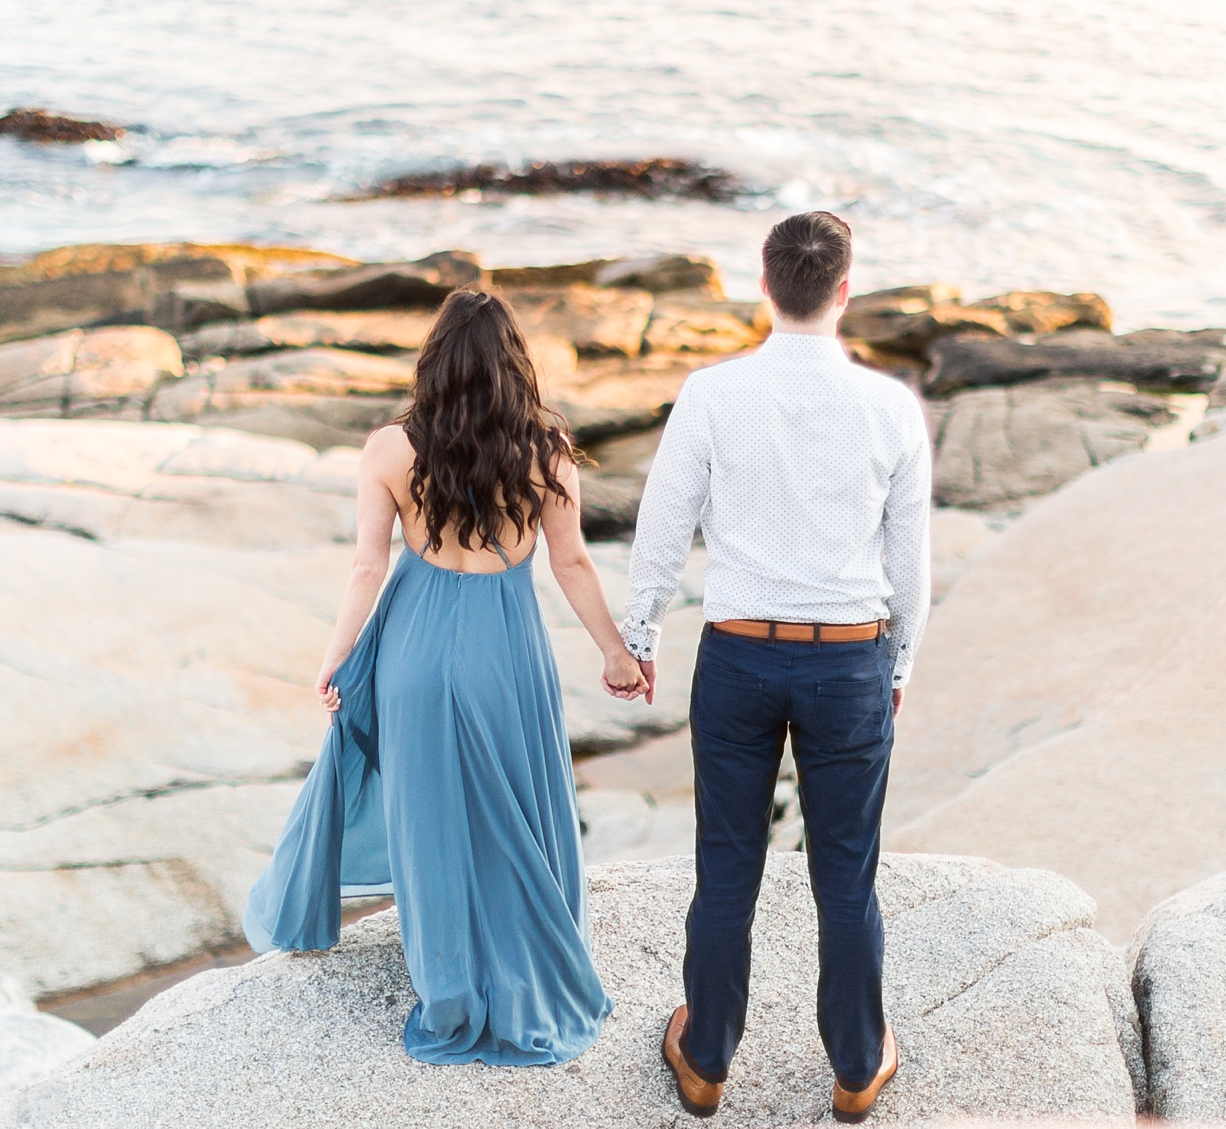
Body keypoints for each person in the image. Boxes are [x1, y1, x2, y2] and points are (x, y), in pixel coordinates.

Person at [243, 288, 646, 1066]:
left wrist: (337, 654)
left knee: (430, 817)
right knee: (517, 806)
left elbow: (368, 565)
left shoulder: (390, 448)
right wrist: (616, 654)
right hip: (504, 649)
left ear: (433, 363)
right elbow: (572, 562)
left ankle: (451, 983)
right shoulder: (546, 449)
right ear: (514, 368)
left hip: (415, 648)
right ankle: (531, 957)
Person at [620, 212, 931, 1122]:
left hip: (739, 658)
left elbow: (663, 524)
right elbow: (909, 562)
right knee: (845, 872)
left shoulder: (713, 392)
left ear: (764, 286)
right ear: (843, 290)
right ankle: (856, 1067)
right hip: (848, 661)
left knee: (727, 864)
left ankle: (707, 1057)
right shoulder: (889, 407)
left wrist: (641, 635)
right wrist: (899, 660)